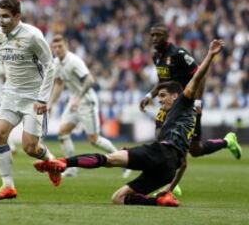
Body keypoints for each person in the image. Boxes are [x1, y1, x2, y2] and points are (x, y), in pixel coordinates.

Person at [34, 39, 239, 207]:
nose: (160, 100)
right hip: (168, 168)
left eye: (164, 96)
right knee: (118, 198)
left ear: (177, 96)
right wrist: (168, 189)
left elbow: (196, 78)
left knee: (110, 159)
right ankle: (159, 202)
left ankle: (63, 162)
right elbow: (183, 164)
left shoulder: (183, 103)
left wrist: (210, 56)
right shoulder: (181, 118)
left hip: (160, 153)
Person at [139, 24, 242, 195]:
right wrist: (149, 96)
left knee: (194, 150)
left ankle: (227, 141)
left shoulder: (179, 54)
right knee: (164, 142)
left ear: (167, 36)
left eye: (159, 35)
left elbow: (200, 75)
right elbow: (162, 82)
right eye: (152, 35)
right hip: (169, 106)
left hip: (187, 104)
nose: (155, 38)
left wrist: (198, 102)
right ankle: (171, 182)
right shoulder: (156, 57)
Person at [0, 0, 57, 200]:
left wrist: (43, 99)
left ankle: (52, 162)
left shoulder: (33, 36)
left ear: (17, 17)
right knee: (0, 134)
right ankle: (7, 186)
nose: (1, 21)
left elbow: (50, 66)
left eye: (6, 17)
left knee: (30, 148)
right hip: (11, 94)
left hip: (34, 98)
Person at [48, 35, 131, 178]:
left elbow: (90, 80)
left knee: (94, 140)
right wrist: (51, 103)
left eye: (60, 46)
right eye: (54, 47)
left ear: (66, 45)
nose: (57, 49)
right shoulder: (56, 63)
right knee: (62, 132)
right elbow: (59, 84)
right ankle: (72, 169)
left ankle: (124, 162)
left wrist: (78, 97)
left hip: (86, 101)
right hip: (74, 102)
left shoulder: (74, 61)